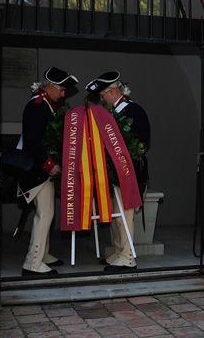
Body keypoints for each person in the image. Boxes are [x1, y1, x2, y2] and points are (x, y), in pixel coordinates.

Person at [86, 71, 150, 272]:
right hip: (113, 173)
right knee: (116, 215)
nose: (101, 99)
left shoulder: (134, 110)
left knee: (125, 215)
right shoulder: (112, 112)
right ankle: (118, 251)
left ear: (112, 91)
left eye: (103, 95)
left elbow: (142, 144)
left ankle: (128, 256)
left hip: (129, 173)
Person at [19, 67, 78, 276]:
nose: (63, 94)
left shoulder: (45, 105)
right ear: (51, 87)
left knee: (46, 213)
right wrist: (49, 164)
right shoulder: (38, 106)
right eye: (62, 90)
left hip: (42, 170)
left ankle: (42, 255)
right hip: (38, 170)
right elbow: (34, 141)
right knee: (44, 215)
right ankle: (33, 263)